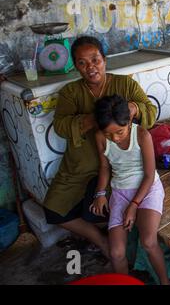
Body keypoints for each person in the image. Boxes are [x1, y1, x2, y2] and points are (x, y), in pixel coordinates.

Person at [42, 36, 157, 258]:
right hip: (78, 165)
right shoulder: (70, 92)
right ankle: (100, 240)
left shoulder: (126, 84)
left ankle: (118, 241)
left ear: (104, 59)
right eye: (82, 63)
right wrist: (95, 119)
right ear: (76, 66)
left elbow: (150, 114)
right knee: (53, 210)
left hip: (118, 167)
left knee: (102, 209)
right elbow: (60, 126)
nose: (90, 67)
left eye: (95, 59)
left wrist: (133, 108)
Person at [91, 95, 169, 285]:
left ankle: (165, 282)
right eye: (109, 134)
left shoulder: (142, 135)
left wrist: (134, 205)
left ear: (130, 121)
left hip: (148, 189)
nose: (115, 138)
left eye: (120, 132)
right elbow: (105, 168)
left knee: (149, 242)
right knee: (116, 252)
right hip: (120, 192)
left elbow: (150, 175)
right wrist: (100, 194)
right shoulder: (100, 137)